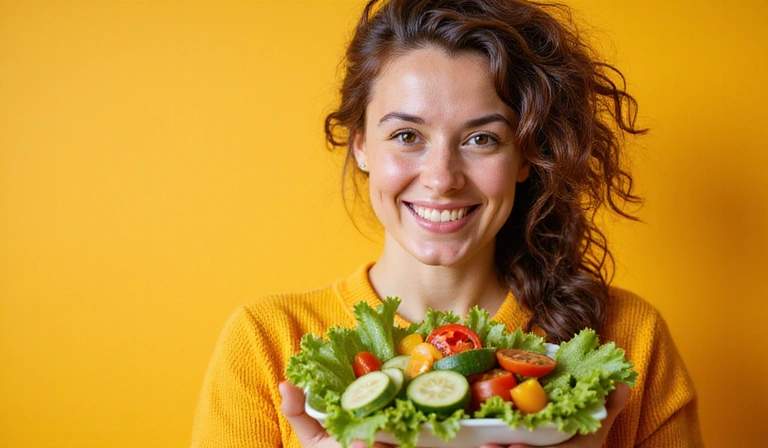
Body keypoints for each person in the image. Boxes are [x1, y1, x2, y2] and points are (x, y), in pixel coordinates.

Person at [191, 0, 703, 447]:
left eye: (481, 139)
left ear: (525, 156)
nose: (441, 179)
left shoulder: (630, 340)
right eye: (407, 136)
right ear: (362, 145)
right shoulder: (266, 343)